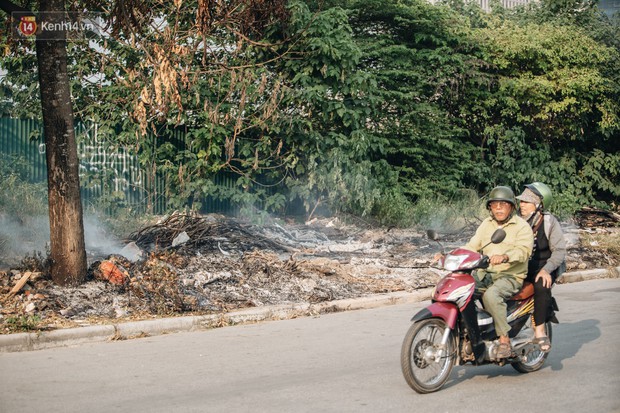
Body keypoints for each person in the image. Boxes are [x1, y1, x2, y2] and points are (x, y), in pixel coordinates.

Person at [464, 186, 534, 358]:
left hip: (510, 275)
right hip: (485, 274)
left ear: (511, 207)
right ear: (490, 207)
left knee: (491, 296)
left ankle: (504, 340)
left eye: (503, 204)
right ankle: (470, 331)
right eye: (494, 205)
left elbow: (523, 251)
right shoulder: (486, 225)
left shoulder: (522, 227)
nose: (498, 208)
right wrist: (450, 255)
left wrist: (504, 256)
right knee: (461, 291)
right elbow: (472, 245)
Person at [516, 182, 566, 352]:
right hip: (520, 268)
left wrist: (546, 270)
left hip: (545, 267)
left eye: (526, 202)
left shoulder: (549, 222)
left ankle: (540, 330)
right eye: (521, 201)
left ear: (539, 205)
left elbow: (559, 251)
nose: (521, 205)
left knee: (541, 285)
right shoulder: (515, 222)